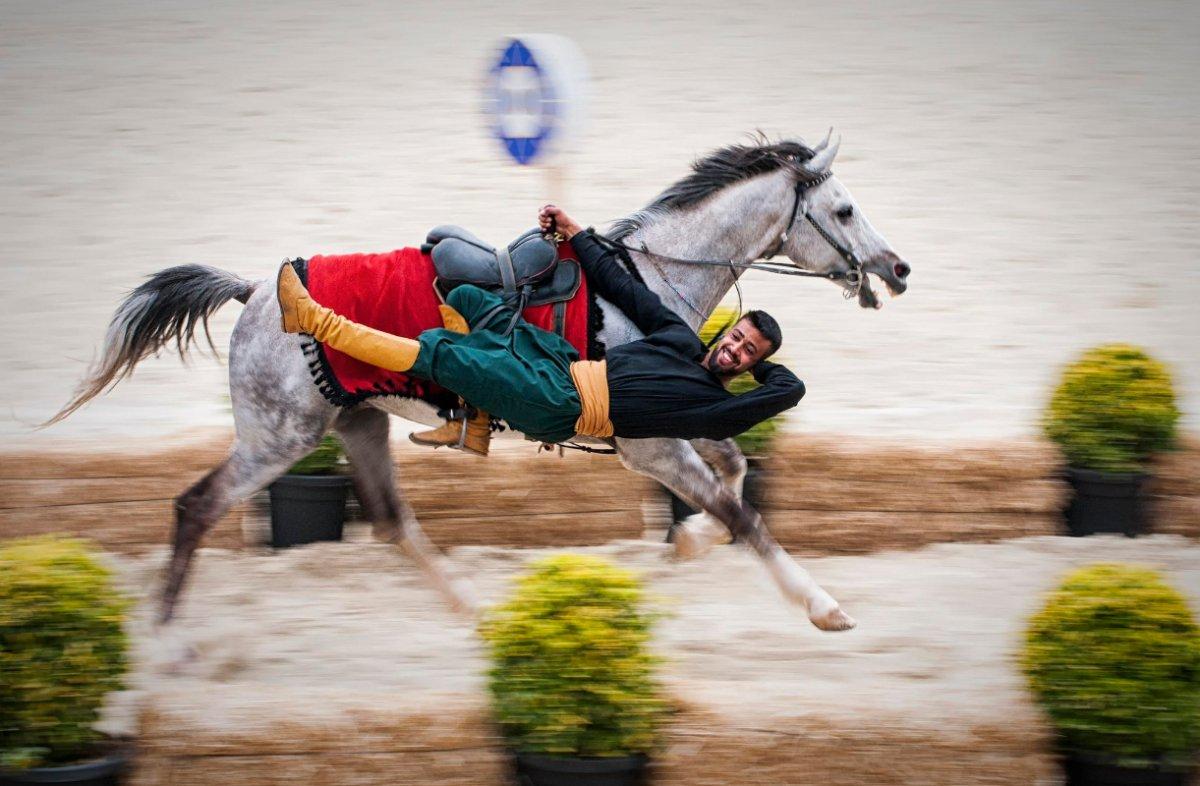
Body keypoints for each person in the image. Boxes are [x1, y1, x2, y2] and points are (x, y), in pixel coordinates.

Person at [275, 205, 805, 456]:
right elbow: (623, 289)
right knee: (467, 298)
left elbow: (791, 390)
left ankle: (314, 319)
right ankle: (473, 421)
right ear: (726, 331)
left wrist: (763, 372)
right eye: (738, 338)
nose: (735, 350)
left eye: (747, 353)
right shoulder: (681, 340)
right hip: (559, 362)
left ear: (753, 365)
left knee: (436, 354)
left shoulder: (716, 410)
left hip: (560, 406)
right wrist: (578, 232)